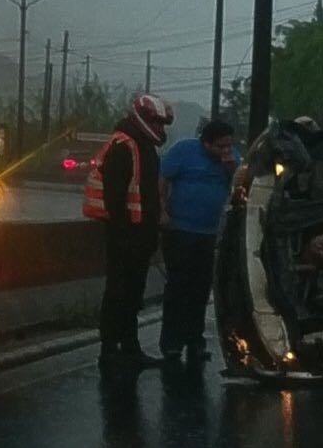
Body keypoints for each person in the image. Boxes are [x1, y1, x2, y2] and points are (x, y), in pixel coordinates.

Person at [85, 93, 174, 373]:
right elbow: (116, 197)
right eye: (156, 122)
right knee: (118, 293)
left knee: (133, 294)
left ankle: (130, 347)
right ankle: (110, 349)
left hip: (140, 235)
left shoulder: (143, 146)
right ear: (142, 119)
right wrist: (126, 233)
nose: (160, 129)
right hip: (124, 236)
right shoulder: (124, 147)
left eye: (162, 124)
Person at [158, 119, 241, 365]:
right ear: (206, 143)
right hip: (181, 230)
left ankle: (195, 341)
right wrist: (161, 210)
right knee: (178, 286)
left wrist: (231, 169)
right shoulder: (184, 151)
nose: (225, 150)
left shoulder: (231, 159)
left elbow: (239, 189)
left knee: (201, 288)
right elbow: (162, 178)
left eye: (228, 145)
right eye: (220, 147)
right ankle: (172, 343)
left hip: (208, 233)